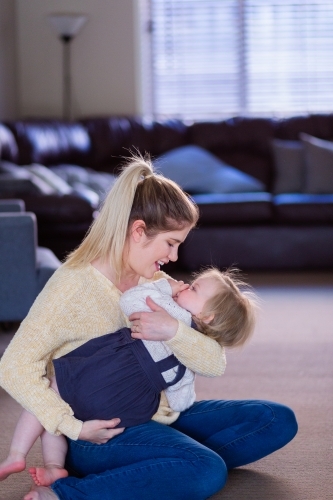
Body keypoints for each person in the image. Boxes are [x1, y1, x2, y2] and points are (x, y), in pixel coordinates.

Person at [0, 154, 298, 500]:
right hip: (104, 433)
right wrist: (72, 427)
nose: (173, 258)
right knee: (207, 470)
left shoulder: (152, 279)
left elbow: (214, 360)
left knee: (275, 419)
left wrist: (174, 331)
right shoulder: (72, 286)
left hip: (158, 414)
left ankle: (156, 464)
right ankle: (72, 493)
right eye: (171, 243)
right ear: (138, 231)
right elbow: (13, 366)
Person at [0, 268, 257, 488]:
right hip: (127, 407)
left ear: (208, 316)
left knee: (50, 400)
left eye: (195, 288)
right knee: (211, 460)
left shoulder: (169, 308)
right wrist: (171, 411)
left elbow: (132, 300)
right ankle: (56, 467)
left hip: (101, 374)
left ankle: (18, 453)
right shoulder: (193, 352)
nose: (186, 285)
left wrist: (163, 288)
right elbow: (182, 396)